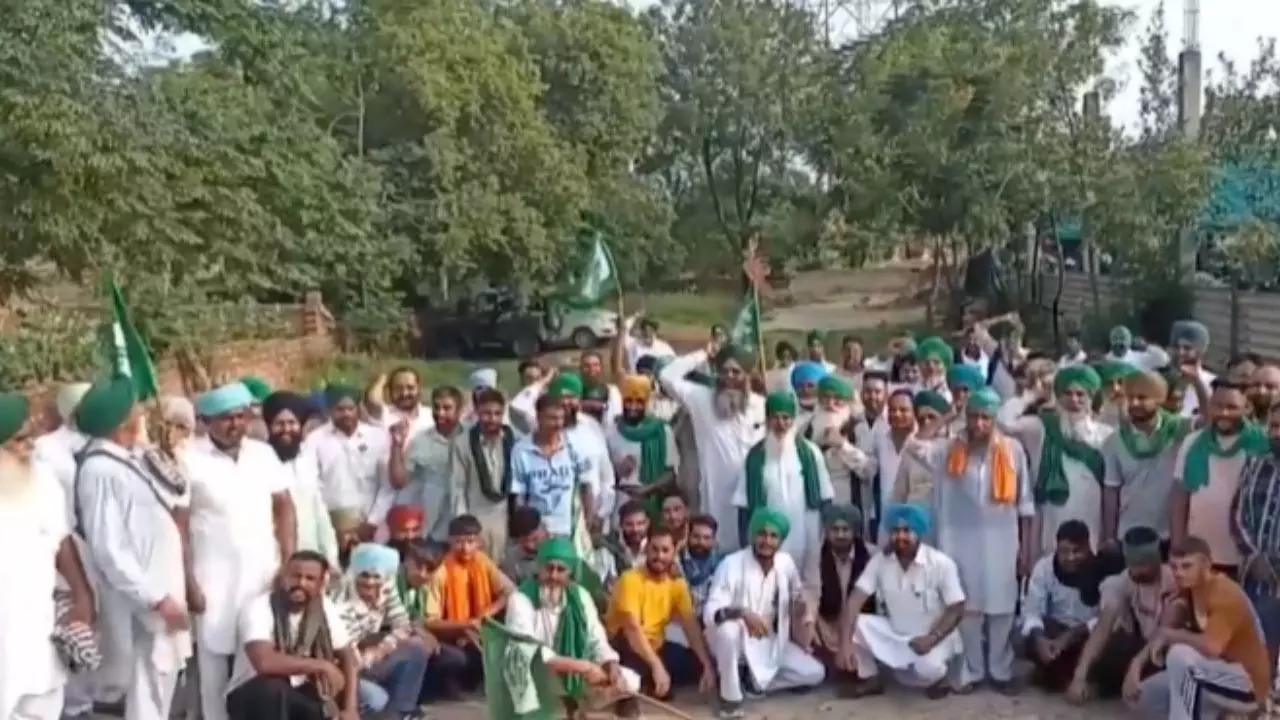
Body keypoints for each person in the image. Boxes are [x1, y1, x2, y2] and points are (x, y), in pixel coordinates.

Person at [76, 376, 193, 720]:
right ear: (123, 420)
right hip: (145, 602)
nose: (143, 413)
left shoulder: (128, 459)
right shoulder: (99, 470)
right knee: (146, 693)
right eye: (136, 409)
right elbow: (108, 547)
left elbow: (176, 492)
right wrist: (155, 596)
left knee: (160, 688)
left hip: (160, 594)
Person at [186, 382, 298, 720]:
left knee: (258, 659)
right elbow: (176, 525)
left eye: (240, 416)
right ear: (205, 421)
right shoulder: (188, 458)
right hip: (212, 580)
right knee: (213, 666)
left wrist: (289, 559)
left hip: (263, 573)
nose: (235, 424)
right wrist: (188, 583)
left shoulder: (262, 453)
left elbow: (285, 506)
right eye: (225, 418)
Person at [910, 386, 1034, 693]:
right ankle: (974, 670)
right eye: (974, 417)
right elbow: (914, 445)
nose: (979, 425)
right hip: (958, 541)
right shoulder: (948, 449)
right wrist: (949, 415)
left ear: (995, 420)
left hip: (1003, 541)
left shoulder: (1013, 450)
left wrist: (1027, 550)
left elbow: (1026, 504)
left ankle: (1001, 670)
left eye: (986, 418)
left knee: (1003, 606)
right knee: (968, 608)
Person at [0, 391, 95, 720]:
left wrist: (83, 595)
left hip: (40, 633)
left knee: (44, 706)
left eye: (31, 437)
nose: (30, 446)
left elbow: (62, 540)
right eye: (19, 440)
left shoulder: (43, 481)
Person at [1131, 536, 1269, 720]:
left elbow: (1211, 647)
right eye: (1174, 567)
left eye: (1186, 566)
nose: (1179, 573)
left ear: (1206, 565)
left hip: (1247, 682)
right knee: (1143, 698)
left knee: (1180, 655)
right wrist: (1137, 664)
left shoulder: (1224, 593)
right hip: (1214, 673)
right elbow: (1164, 629)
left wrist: (1172, 635)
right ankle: (1217, 715)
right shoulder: (1189, 587)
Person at [704, 508, 825, 717]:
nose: (767, 541)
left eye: (773, 536)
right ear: (753, 535)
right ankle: (730, 697)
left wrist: (806, 615)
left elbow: (799, 595)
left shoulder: (785, 563)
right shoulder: (731, 564)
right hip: (737, 642)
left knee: (814, 673)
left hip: (771, 643)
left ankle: (752, 682)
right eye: (762, 534)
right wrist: (742, 613)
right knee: (728, 630)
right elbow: (710, 612)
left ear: (781, 540)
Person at [835, 503, 964, 699]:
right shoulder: (881, 561)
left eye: (906, 530)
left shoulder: (940, 563)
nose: (900, 536)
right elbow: (855, 600)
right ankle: (871, 678)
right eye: (895, 531)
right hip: (896, 633)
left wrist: (932, 638)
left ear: (919, 532)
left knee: (926, 670)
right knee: (857, 623)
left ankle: (938, 678)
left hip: (933, 638)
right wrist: (844, 643)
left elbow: (956, 608)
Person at [505, 537, 642, 717]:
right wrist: (582, 667)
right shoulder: (520, 599)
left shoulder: (580, 596)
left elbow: (596, 639)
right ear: (539, 568)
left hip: (575, 673)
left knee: (629, 681)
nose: (554, 576)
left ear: (570, 572)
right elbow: (530, 652)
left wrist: (610, 665)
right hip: (536, 674)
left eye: (560, 569)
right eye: (549, 568)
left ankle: (577, 705)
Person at [224, 550, 361, 720]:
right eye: (295, 576)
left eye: (309, 579)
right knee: (274, 688)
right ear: (283, 577)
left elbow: (348, 656)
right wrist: (320, 665)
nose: (301, 583)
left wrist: (350, 708)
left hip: (303, 691)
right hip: (253, 695)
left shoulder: (325, 608)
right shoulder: (259, 607)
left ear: (320, 584)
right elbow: (264, 663)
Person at [659, 342, 766, 550]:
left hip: (751, 495)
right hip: (714, 496)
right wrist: (702, 355)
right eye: (724, 371)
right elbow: (666, 375)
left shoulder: (761, 405)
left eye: (736, 371)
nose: (730, 377)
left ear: (747, 375)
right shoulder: (701, 399)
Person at [999, 365, 1112, 555]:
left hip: (1091, 515)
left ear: (1091, 398)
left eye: (1080, 394)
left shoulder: (1106, 436)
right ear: (1058, 397)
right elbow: (1004, 421)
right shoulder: (1043, 428)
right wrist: (1032, 395)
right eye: (1067, 394)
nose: (1074, 400)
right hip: (1051, 516)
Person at [732, 391, 834, 599]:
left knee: (806, 585)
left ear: (793, 419)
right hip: (769, 534)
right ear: (767, 420)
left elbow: (825, 496)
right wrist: (745, 541)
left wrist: (827, 535)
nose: (780, 423)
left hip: (807, 529)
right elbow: (743, 504)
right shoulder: (755, 457)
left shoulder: (810, 452)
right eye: (775, 417)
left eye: (786, 417)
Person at [1067, 526, 1175, 703]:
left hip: (1163, 651)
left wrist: (1136, 665)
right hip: (1138, 646)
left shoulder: (1173, 581)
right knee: (1106, 649)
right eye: (1132, 564)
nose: (1135, 571)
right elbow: (1102, 629)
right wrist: (1080, 676)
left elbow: (1164, 632)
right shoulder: (1122, 581)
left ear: (1156, 560)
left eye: (1142, 565)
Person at [605, 526, 716, 700]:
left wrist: (706, 665)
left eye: (665, 550)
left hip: (657, 646)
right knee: (642, 680)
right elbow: (632, 630)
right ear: (646, 549)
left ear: (674, 552)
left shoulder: (677, 584)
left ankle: (654, 680)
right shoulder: (630, 579)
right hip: (626, 647)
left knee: (703, 666)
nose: (659, 556)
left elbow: (690, 626)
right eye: (654, 550)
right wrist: (657, 666)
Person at [1171, 381, 1267, 578]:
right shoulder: (1192, 442)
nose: (1224, 413)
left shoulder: (1262, 445)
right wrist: (1177, 545)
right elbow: (1180, 496)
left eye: (1232, 407)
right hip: (1199, 554)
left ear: (1247, 408)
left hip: (1245, 559)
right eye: (1218, 405)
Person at [1101, 370, 1195, 550]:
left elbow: (1208, 422)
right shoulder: (1114, 440)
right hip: (1129, 536)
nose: (1135, 403)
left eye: (1142, 397)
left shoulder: (1178, 429)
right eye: (1130, 397)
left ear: (1159, 399)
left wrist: (1196, 381)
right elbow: (1111, 492)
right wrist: (1110, 537)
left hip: (1170, 535)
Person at [336, 544, 430, 719]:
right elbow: (347, 655)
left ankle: (401, 713)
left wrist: (382, 649)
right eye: (364, 575)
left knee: (416, 647)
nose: (370, 582)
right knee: (376, 699)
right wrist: (369, 657)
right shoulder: (341, 602)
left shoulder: (387, 588)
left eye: (376, 576)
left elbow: (403, 624)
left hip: (367, 658)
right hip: (344, 667)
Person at [424, 515, 514, 689]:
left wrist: (487, 613)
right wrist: (465, 625)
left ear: (479, 542)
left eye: (471, 542)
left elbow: (509, 593)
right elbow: (430, 621)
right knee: (458, 658)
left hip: (481, 629)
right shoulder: (441, 571)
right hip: (451, 636)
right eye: (459, 542)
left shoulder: (483, 561)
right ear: (449, 541)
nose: (465, 548)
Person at [1020, 520, 1105, 693]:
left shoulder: (1102, 568)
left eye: (1077, 551)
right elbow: (1032, 613)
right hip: (1055, 633)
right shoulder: (1044, 568)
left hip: (1088, 634)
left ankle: (1062, 677)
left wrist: (1072, 635)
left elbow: (1107, 617)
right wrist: (1040, 640)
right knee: (1027, 636)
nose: (1070, 558)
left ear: (1088, 547)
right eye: (1064, 552)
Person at [264, 391, 340, 570]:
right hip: (275, 559)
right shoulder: (260, 460)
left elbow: (319, 511)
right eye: (279, 424)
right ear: (269, 426)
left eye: (292, 423)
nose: (286, 429)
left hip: (311, 554)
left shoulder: (307, 459)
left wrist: (331, 557)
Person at [510, 393, 594, 553]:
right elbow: (518, 496)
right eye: (551, 418)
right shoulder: (521, 450)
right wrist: (526, 531)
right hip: (537, 531)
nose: (557, 424)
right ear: (538, 417)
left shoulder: (574, 446)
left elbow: (586, 487)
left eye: (560, 418)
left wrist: (588, 523)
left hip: (569, 529)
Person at [305, 384, 391, 540]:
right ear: (329, 411)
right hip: (332, 528)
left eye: (351, 409)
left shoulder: (377, 437)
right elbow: (312, 486)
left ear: (358, 409)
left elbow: (387, 485)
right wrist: (328, 525)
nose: (346, 414)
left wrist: (373, 522)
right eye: (340, 409)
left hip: (374, 526)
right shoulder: (315, 440)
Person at [1230, 400, 1280, 665]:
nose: (1278, 433)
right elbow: (1237, 515)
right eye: (1274, 426)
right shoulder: (1255, 465)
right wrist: (1255, 556)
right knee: (1256, 645)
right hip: (1258, 575)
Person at [387, 386, 464, 542]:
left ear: (459, 411)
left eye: (447, 408)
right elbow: (399, 481)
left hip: (464, 523)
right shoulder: (421, 441)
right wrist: (396, 445)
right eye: (436, 407)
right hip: (431, 526)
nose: (440, 413)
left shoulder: (471, 437)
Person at [801, 504, 873, 670]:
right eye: (835, 529)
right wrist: (810, 620)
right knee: (803, 611)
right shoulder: (816, 556)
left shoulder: (871, 555)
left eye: (845, 529)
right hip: (828, 623)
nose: (840, 535)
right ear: (826, 531)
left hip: (858, 623)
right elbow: (812, 591)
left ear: (855, 531)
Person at [449, 387, 519, 556]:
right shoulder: (463, 443)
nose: (492, 419)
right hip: (476, 518)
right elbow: (458, 486)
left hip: (505, 519)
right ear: (477, 412)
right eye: (486, 413)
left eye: (497, 413)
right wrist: (464, 526)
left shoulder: (513, 440)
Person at [608, 374, 680, 519]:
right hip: (623, 505)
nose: (633, 407)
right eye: (628, 401)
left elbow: (671, 473)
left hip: (654, 502)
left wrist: (646, 489)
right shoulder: (612, 431)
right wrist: (619, 470)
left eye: (639, 402)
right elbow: (607, 475)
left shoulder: (661, 430)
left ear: (647, 402)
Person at [365, 367, 435, 437]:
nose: (404, 393)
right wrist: (381, 380)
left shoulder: (431, 416)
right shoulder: (383, 414)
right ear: (390, 390)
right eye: (398, 388)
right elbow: (372, 401)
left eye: (410, 387)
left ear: (419, 389)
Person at [678, 515, 723, 620]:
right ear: (688, 536)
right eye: (696, 537)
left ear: (714, 540)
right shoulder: (676, 561)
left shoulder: (721, 564)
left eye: (706, 538)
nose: (701, 542)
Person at [1169, 321, 1216, 417]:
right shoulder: (1163, 377)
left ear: (1200, 351)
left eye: (1187, 348)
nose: (1180, 352)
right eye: (1177, 347)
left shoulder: (1212, 382)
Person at [501, 507, 547, 585]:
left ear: (543, 528)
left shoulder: (557, 551)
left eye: (534, 538)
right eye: (525, 537)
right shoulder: (511, 557)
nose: (530, 545)